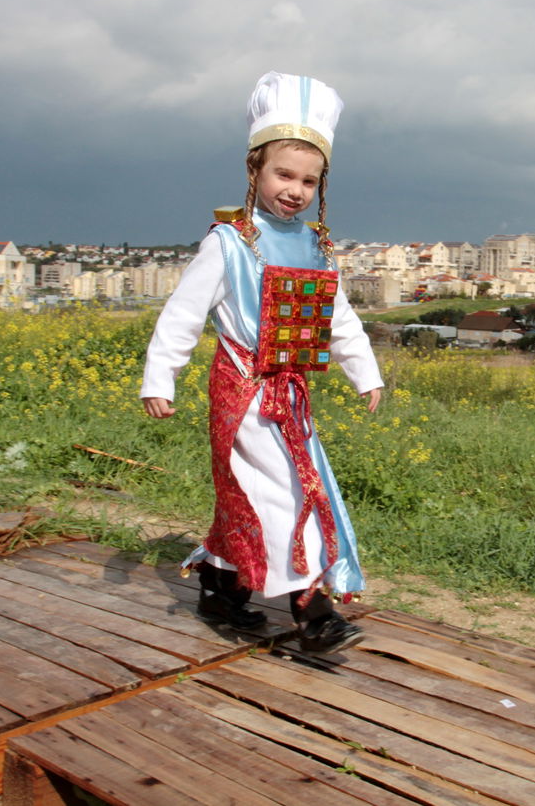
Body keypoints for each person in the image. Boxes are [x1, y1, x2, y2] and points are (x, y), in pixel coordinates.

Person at [140, 72, 382, 654]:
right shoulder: (228, 242)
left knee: (255, 493)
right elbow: (183, 313)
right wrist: (159, 376)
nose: (294, 190)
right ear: (254, 170)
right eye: (283, 174)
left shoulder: (318, 248)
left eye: (308, 179)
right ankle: (312, 612)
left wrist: (364, 371)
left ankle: (222, 589)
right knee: (287, 494)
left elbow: (338, 317)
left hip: (289, 394)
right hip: (243, 390)